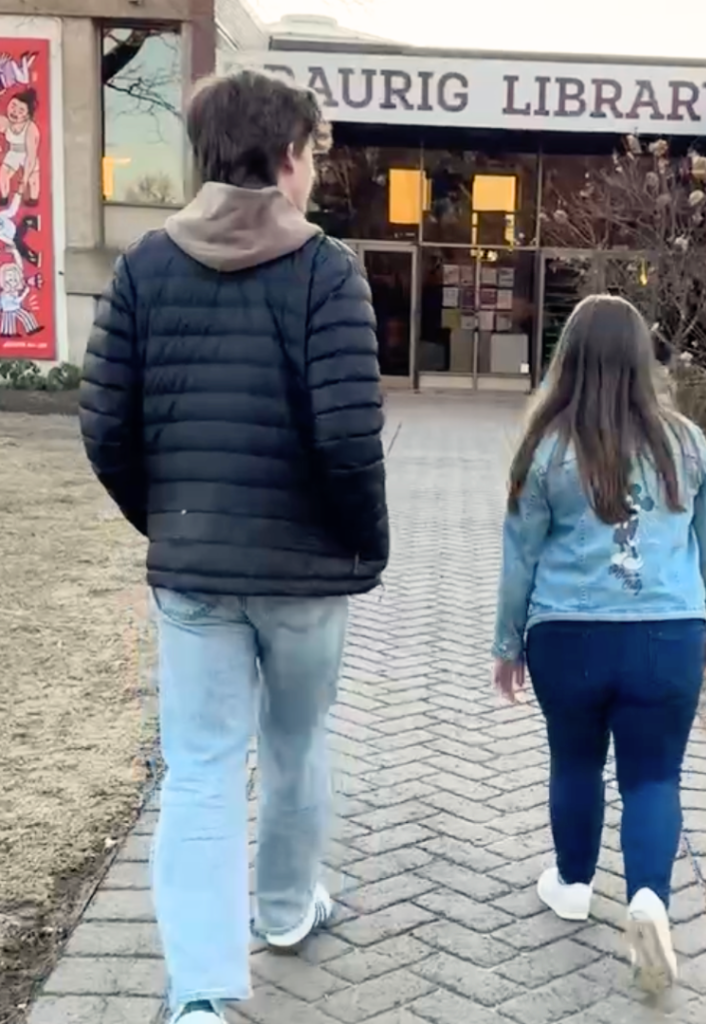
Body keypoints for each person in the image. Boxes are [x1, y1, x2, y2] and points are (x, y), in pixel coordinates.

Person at [79, 70, 388, 1024]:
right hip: (304, 577)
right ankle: (288, 912)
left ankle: (204, 996)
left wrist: (168, 520)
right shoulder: (326, 269)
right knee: (295, 747)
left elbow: (105, 428)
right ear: (287, 155)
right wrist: (361, 547)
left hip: (194, 571)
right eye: (311, 153)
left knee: (203, 768)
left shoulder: (143, 266)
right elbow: (348, 437)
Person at [492, 294, 706, 994]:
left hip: (567, 634)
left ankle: (570, 884)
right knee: (653, 776)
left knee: (575, 763)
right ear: (641, 360)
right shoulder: (686, 444)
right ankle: (649, 897)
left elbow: (519, 557)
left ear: (568, 360)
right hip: (668, 633)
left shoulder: (542, 447)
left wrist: (507, 643)